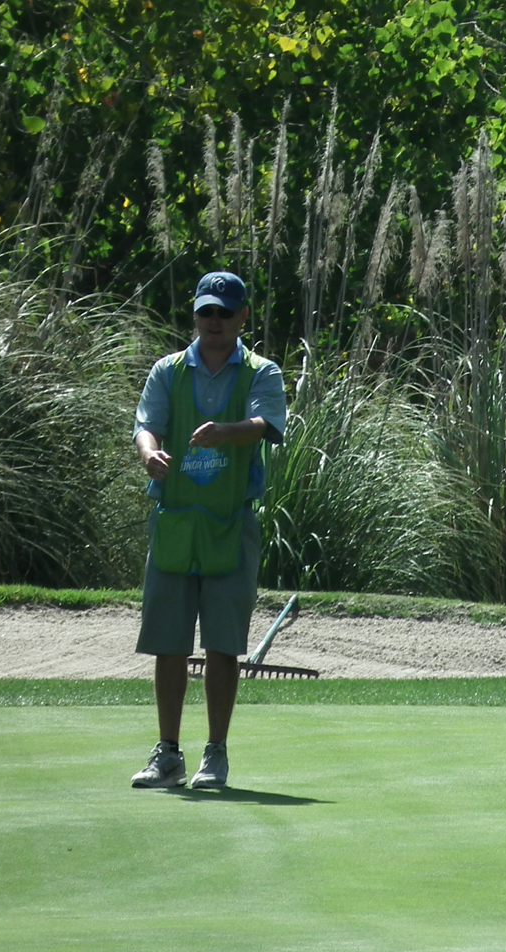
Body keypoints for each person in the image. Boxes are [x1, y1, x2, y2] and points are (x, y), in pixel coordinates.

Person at [129, 271, 287, 791]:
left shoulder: (261, 372)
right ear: (195, 315)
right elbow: (146, 424)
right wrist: (150, 453)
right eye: (206, 312)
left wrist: (226, 434)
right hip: (175, 520)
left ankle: (214, 753)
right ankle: (167, 752)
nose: (214, 321)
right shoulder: (168, 370)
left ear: (243, 316)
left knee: (223, 643)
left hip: (230, 521)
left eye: (224, 312)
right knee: (168, 642)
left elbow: (266, 426)